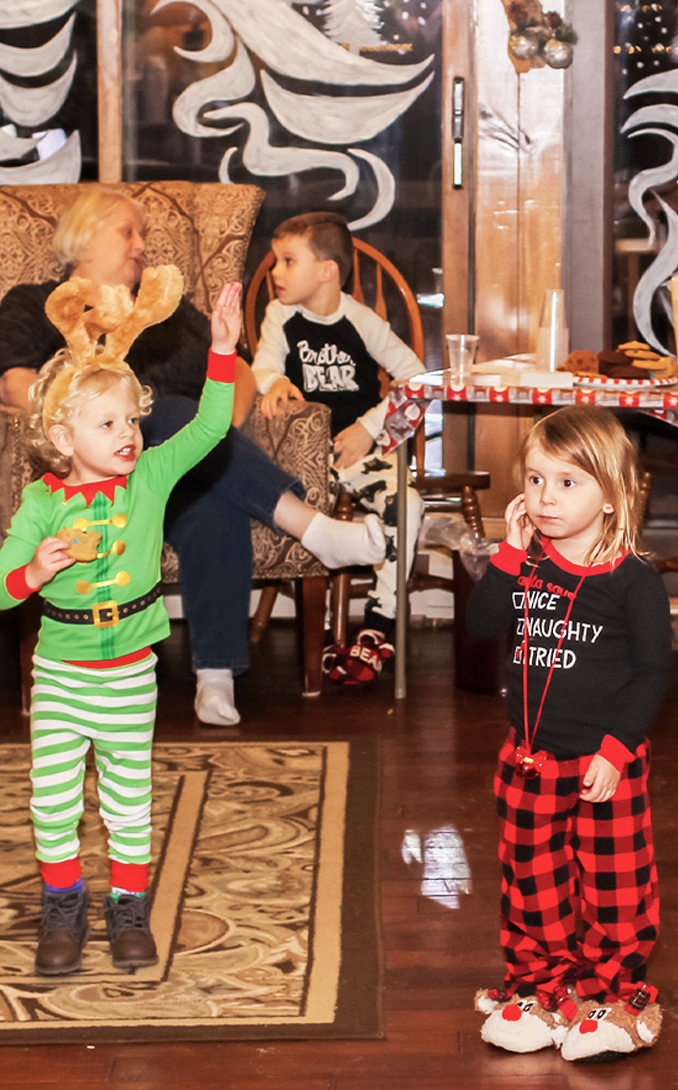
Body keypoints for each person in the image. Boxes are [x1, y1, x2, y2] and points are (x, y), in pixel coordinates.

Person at [0, 186, 385, 725]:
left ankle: (215, 677)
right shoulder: (36, 302)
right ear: (85, 238)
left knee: (205, 484)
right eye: (128, 232)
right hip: (84, 473)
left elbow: (240, 369)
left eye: (145, 236)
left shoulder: (164, 310)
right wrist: (94, 409)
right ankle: (311, 528)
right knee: (157, 409)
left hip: (171, 472)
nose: (141, 246)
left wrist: (216, 438)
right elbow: (15, 384)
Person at [0, 271, 241, 974]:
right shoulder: (40, 504)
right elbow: (2, 586)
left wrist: (222, 351)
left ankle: (127, 910)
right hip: (62, 675)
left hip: (132, 672)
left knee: (128, 803)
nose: (129, 434)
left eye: (132, 419)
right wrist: (35, 573)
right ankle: (63, 911)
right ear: (61, 436)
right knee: (53, 804)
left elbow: (210, 426)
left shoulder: (151, 477)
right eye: (107, 424)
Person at [464, 406, 671, 1062]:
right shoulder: (526, 566)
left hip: (606, 763)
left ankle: (613, 994)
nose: (544, 496)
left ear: (610, 497)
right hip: (528, 763)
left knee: (615, 885)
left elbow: (652, 673)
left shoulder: (634, 583)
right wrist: (509, 551)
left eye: (567, 482)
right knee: (532, 881)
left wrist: (617, 748)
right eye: (534, 479)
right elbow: (481, 623)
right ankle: (542, 988)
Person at [251, 211, 425, 684]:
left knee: (407, 504)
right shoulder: (279, 316)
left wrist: (370, 426)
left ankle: (377, 628)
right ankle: (325, 628)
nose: (276, 271)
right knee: (310, 513)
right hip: (306, 456)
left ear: (327, 270)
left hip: (362, 452)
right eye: (275, 261)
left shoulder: (362, 321)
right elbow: (261, 366)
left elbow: (417, 379)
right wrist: (275, 381)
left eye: (288, 261)